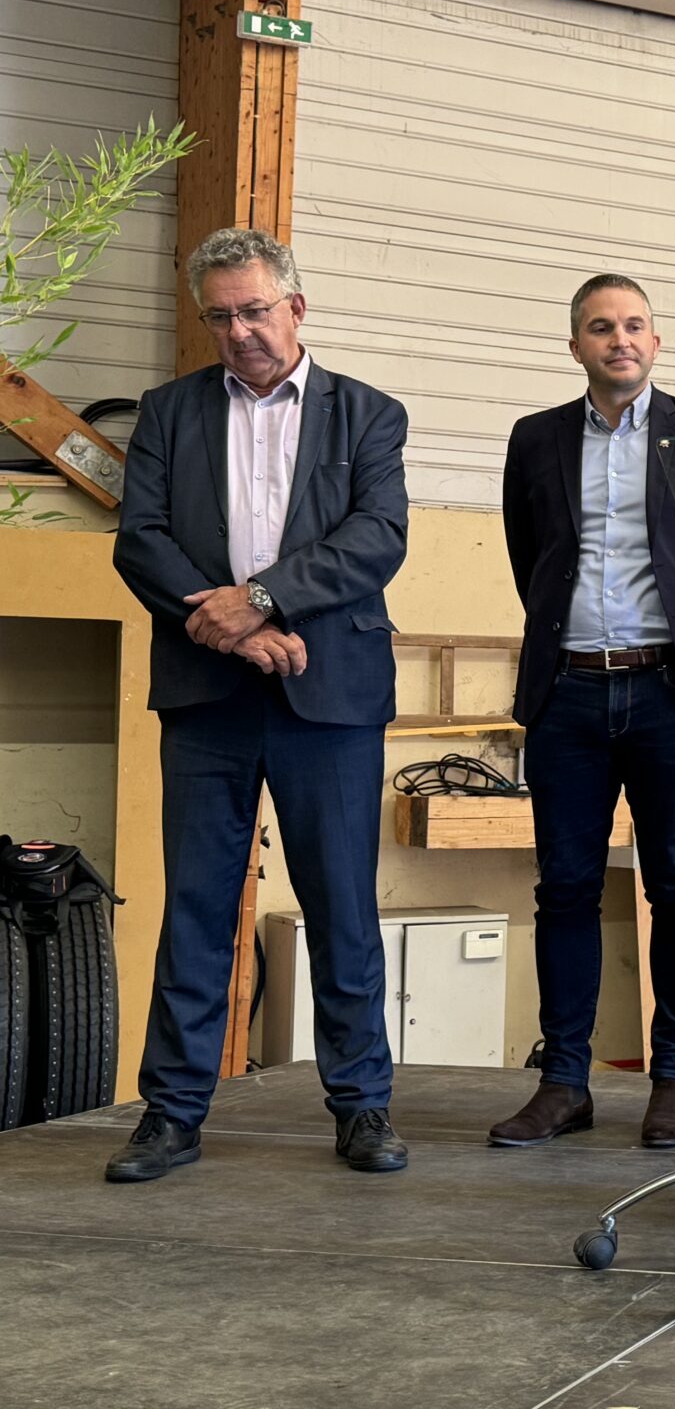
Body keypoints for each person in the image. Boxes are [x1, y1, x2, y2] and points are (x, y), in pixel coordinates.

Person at [107, 228, 410, 1181]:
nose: (240, 331)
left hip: (333, 692)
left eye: (255, 310)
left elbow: (377, 537)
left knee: (342, 906)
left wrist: (263, 599)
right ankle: (171, 1114)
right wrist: (237, 630)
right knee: (197, 905)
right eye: (221, 316)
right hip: (209, 694)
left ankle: (362, 1106)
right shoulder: (168, 412)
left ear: (296, 308)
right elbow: (141, 541)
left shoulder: (368, 414)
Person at [489, 275, 675, 1151]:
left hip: (670, 694)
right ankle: (564, 1083)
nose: (620, 339)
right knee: (564, 888)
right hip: (566, 694)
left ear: (656, 342)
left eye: (635, 325)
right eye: (602, 328)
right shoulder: (536, 438)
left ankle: (673, 1080)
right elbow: (530, 556)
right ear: (577, 347)